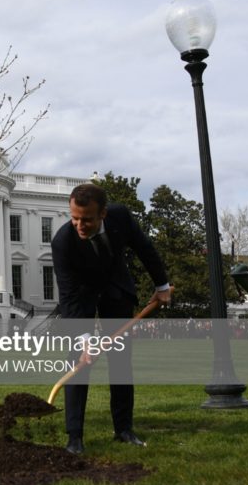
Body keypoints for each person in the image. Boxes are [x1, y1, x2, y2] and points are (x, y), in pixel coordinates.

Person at [52, 183, 171, 455]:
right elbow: (68, 295)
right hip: (81, 294)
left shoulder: (120, 216)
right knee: (78, 362)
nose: (79, 225)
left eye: (87, 219)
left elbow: (145, 248)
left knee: (120, 359)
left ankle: (124, 429)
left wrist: (162, 287)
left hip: (115, 288)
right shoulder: (62, 243)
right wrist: (84, 341)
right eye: (74, 218)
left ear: (103, 213)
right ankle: (74, 438)